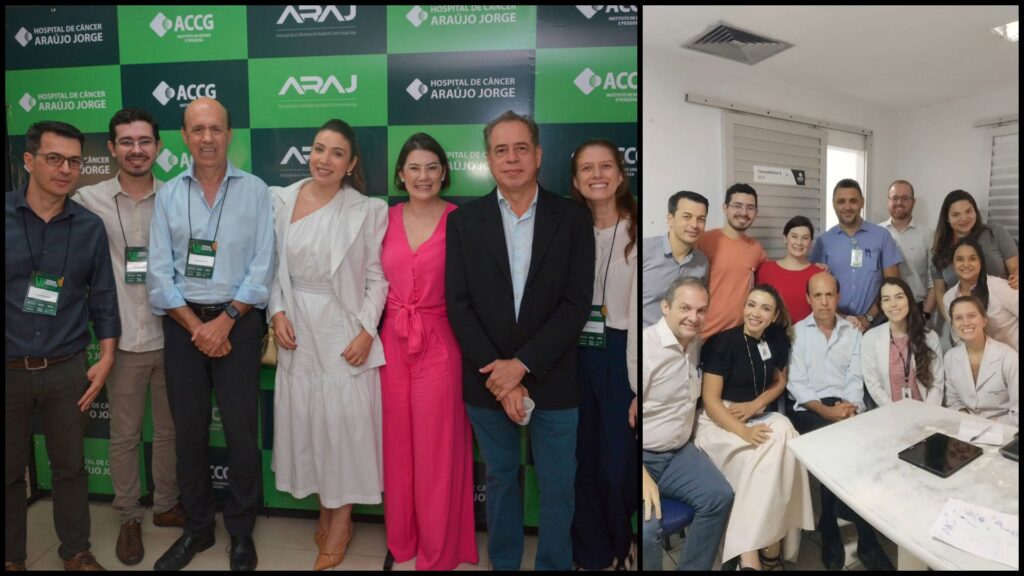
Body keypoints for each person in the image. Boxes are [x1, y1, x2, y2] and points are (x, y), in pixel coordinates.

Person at [445, 110, 595, 571]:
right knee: (502, 480)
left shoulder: (572, 218)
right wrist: (503, 374)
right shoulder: (464, 222)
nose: (511, 159)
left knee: (558, 485)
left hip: (554, 377)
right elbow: (459, 305)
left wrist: (523, 366)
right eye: (501, 150)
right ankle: (504, 563)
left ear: (538, 155)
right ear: (488, 160)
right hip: (487, 378)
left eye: (521, 148)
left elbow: (575, 305)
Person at [148, 98, 274, 572]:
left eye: (215, 129)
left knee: (242, 433)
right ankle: (198, 530)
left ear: (229, 134)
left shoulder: (257, 190)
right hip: (184, 328)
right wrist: (198, 328)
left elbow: (263, 266)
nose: (207, 138)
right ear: (183, 136)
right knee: (189, 434)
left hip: (238, 326)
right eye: (197, 129)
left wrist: (226, 320)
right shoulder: (168, 195)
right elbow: (159, 275)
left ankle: (241, 532)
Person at [268, 119, 387, 570]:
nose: (324, 159)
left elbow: (377, 277)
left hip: (343, 329)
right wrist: (276, 311)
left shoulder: (367, 210)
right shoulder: (279, 199)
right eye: (319, 149)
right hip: (297, 326)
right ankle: (325, 507)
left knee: (344, 427)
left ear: (352, 163)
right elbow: (271, 267)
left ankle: (341, 522)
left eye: (337, 153)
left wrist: (367, 330)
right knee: (310, 424)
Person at [72, 108, 184, 567]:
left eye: (144, 141)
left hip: (175, 333)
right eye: (126, 142)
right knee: (123, 434)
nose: (136, 150)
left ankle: (166, 505)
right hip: (119, 339)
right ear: (112, 148)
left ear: (158, 147)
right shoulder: (87, 200)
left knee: (171, 430)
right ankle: (128, 517)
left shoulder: (178, 195)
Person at [6, 121, 119, 572]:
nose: (65, 168)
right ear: (29, 161)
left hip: (68, 367)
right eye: (54, 158)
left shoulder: (90, 227)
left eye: (74, 160)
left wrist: (107, 353)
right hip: (9, 369)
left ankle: (75, 551)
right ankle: (12, 558)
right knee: (9, 472)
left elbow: (104, 295)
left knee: (70, 468)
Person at [378, 133, 476, 570]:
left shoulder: (462, 221)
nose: (423, 176)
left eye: (432, 167)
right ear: (401, 174)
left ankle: (438, 551)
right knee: (398, 448)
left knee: (437, 451)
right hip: (391, 342)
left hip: (441, 342)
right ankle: (403, 542)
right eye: (414, 168)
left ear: (444, 173)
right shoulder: (382, 218)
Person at [695, 284, 813, 570]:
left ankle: (757, 549)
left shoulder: (776, 340)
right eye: (751, 304)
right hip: (719, 421)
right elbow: (710, 402)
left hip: (755, 414)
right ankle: (762, 551)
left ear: (774, 316)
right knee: (765, 459)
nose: (755, 313)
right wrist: (743, 429)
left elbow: (779, 382)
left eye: (765, 308)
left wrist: (753, 406)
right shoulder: (721, 342)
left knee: (786, 436)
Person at [787, 272, 893, 571]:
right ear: (808, 298)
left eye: (829, 295)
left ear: (837, 296)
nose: (824, 301)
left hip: (846, 407)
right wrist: (825, 410)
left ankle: (830, 522)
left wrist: (848, 409)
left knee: (855, 453)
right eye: (817, 295)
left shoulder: (853, 332)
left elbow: (855, 377)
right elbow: (797, 383)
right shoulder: (796, 333)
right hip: (810, 410)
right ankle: (863, 538)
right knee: (839, 452)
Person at [568, 139, 638, 571]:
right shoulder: (565, 229)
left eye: (606, 166)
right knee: (581, 458)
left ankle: (622, 541)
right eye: (587, 168)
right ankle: (592, 553)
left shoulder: (636, 231)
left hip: (620, 355)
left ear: (620, 174)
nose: (597, 174)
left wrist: (638, 387)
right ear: (576, 180)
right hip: (573, 353)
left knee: (616, 461)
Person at [641, 277, 734, 571]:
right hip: (642, 457)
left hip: (679, 454)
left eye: (701, 310)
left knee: (720, 497)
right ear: (665, 307)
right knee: (646, 531)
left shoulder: (695, 344)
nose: (693, 318)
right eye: (685, 308)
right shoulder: (645, 349)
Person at [810, 179, 902, 333]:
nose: (847, 207)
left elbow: (893, 284)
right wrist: (842, 318)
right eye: (841, 202)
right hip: (835, 326)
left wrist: (868, 318)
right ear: (833, 204)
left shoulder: (881, 236)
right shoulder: (823, 242)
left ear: (862, 202)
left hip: (876, 325)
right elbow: (816, 288)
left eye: (853, 201)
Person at [931, 189, 1019, 325]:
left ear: (975, 212)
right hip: (966, 323)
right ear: (947, 218)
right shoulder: (940, 248)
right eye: (956, 214)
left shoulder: (995, 233)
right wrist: (952, 321)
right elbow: (939, 290)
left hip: (1001, 318)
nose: (964, 218)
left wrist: (1016, 276)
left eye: (968, 211)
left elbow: (1015, 268)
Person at [697, 183, 767, 340]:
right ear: (725, 208)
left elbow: (775, 273)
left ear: (756, 212)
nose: (743, 212)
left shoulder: (756, 249)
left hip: (740, 336)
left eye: (750, 208)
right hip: (704, 335)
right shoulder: (704, 241)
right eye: (737, 206)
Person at [861, 278, 944, 407]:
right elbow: (874, 385)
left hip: (926, 413)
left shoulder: (930, 337)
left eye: (899, 297)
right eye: (887, 299)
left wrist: (928, 413)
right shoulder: (870, 338)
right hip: (889, 414)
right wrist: (895, 413)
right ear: (881, 305)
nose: (893, 304)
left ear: (909, 301)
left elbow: (936, 385)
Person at [943, 296, 1018, 426]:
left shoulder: (1009, 357)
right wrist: (968, 421)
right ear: (952, 324)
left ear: (984, 320)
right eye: (958, 318)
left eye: (971, 315)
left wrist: (989, 427)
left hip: (1005, 430)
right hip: (966, 428)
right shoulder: (950, 357)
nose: (965, 323)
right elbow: (953, 401)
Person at [642, 190, 709, 328]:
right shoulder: (643, 250)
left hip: (682, 343)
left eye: (701, 219)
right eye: (687, 217)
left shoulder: (702, 263)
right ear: (670, 219)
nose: (695, 225)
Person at [941, 238, 1018, 351]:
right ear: (953, 264)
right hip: (980, 361)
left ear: (980, 262)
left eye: (972, 259)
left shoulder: (999, 287)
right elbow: (958, 338)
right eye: (960, 259)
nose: (966, 264)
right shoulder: (949, 298)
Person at [880, 180, 936, 319]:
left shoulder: (928, 235)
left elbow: (934, 279)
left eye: (905, 198)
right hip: (882, 309)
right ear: (888, 200)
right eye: (895, 198)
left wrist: (926, 314)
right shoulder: (876, 233)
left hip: (915, 308)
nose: (899, 202)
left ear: (913, 202)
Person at [756, 215, 821, 323]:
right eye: (794, 236)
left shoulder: (819, 274)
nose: (799, 242)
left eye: (805, 238)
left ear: (811, 242)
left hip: (807, 336)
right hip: (772, 335)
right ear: (785, 238)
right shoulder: (766, 270)